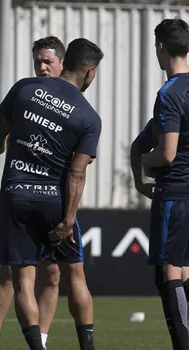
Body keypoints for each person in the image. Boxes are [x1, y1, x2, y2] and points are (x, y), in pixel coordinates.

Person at [0, 38, 103, 350]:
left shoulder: (24, 89)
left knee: (24, 280)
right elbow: (78, 172)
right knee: (75, 276)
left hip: (17, 194)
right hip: (55, 202)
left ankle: (36, 346)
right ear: (89, 71)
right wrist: (68, 219)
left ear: (66, 61)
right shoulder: (89, 117)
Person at [0, 35, 65, 350]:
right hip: (20, 193)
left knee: (53, 273)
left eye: (48, 62)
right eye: (38, 62)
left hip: (55, 197)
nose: (42, 68)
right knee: (10, 271)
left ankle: (39, 342)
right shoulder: (24, 93)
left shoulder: (72, 102)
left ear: (61, 63)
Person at [136, 18, 189, 350]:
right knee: (183, 270)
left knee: (168, 272)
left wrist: (143, 163)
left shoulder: (170, 93)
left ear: (160, 48)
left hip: (176, 193)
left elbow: (166, 154)